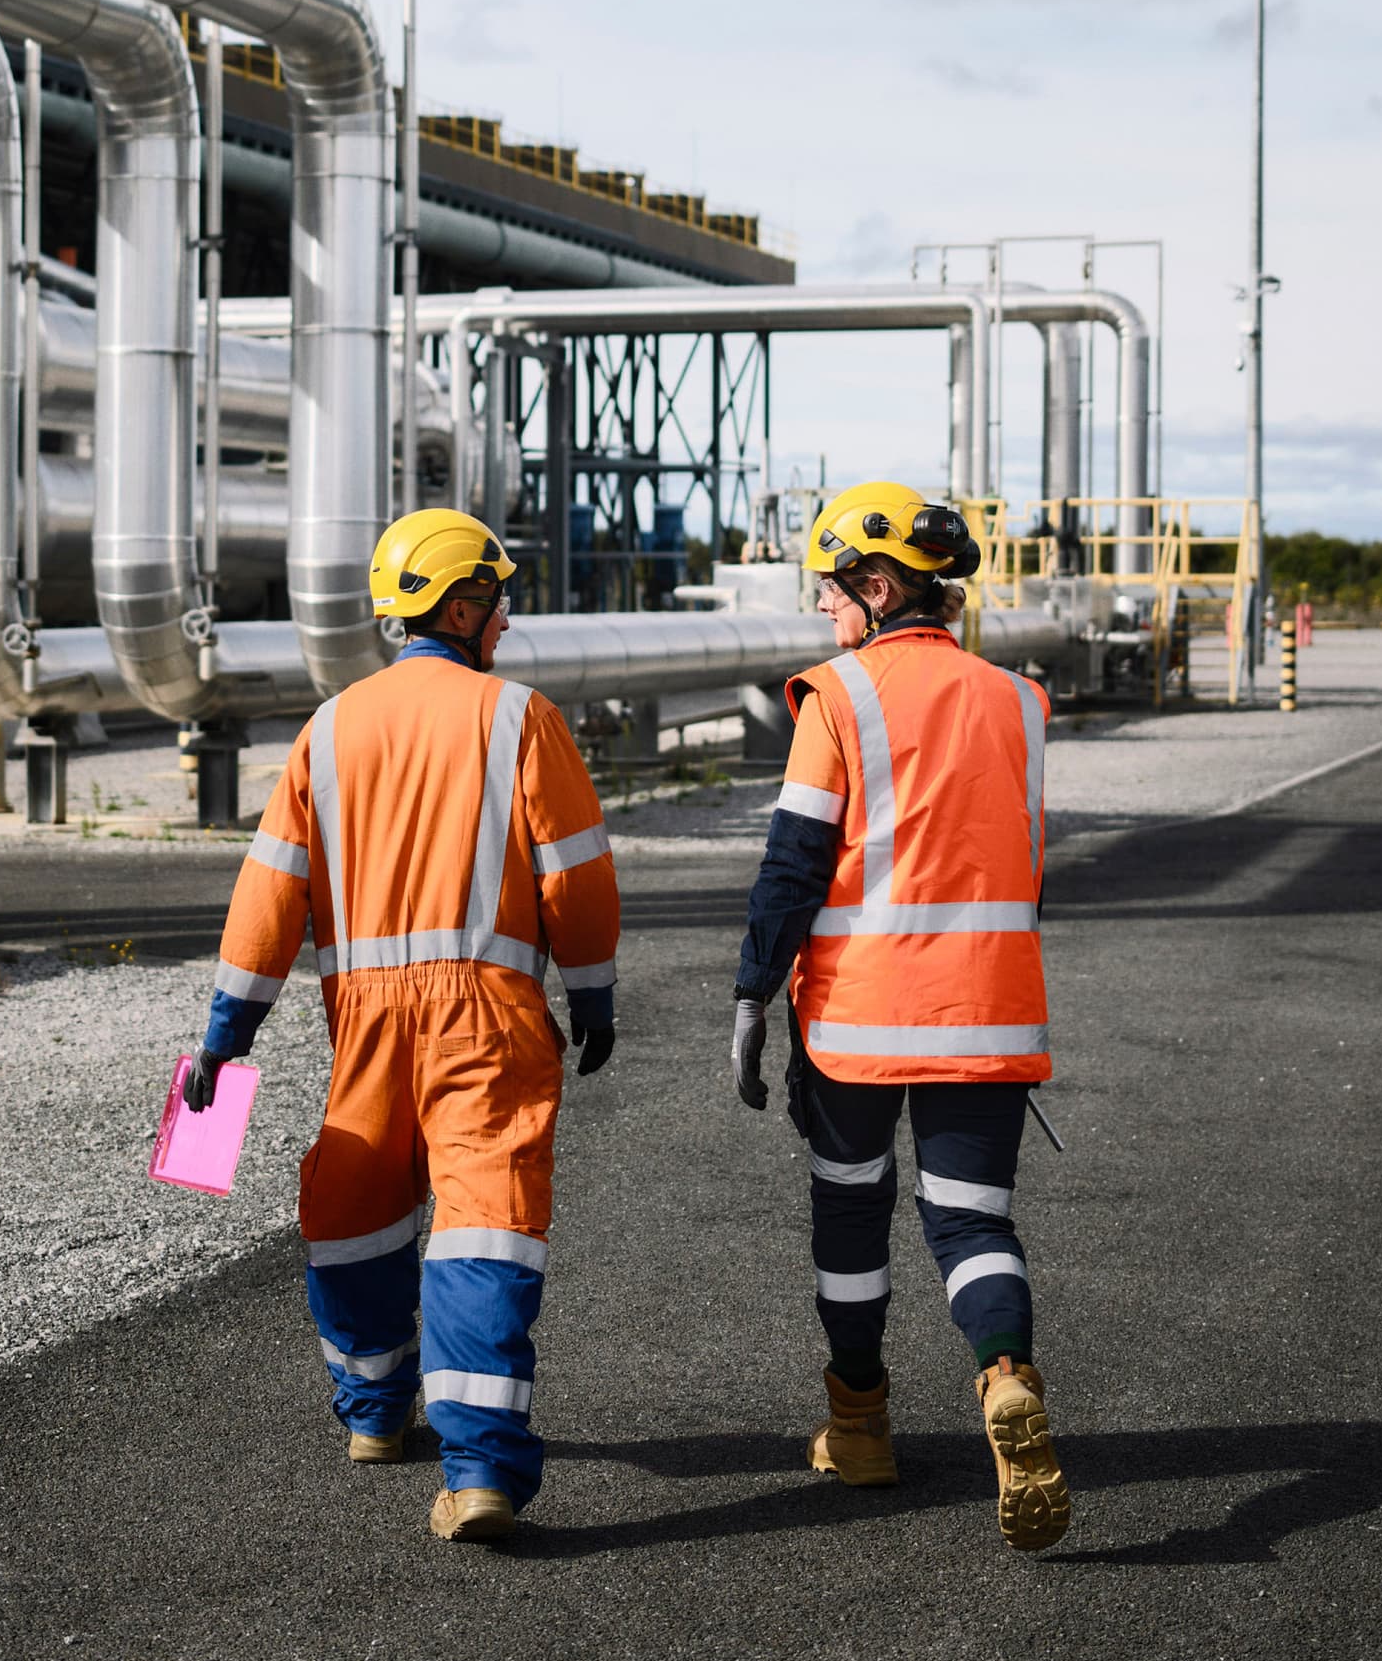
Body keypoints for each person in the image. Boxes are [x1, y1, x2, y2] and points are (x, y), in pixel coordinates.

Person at [184, 508, 621, 1543]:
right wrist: (594, 991)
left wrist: (226, 1031)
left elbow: (269, 894)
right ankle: (479, 1472)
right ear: (461, 606)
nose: (506, 620)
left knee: (356, 1206)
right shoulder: (521, 718)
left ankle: (376, 1410)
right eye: (498, 600)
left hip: (365, 1022)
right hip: (487, 1013)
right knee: (482, 1223)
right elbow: (576, 875)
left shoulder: (327, 728)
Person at [729, 479, 1072, 1552]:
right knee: (972, 1220)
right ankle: (1005, 1377)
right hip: (989, 1014)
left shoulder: (838, 696)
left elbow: (793, 866)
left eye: (834, 593)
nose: (826, 613)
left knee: (851, 1214)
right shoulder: (1019, 701)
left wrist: (750, 992)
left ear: (879, 587)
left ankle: (861, 1426)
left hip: (859, 1025)